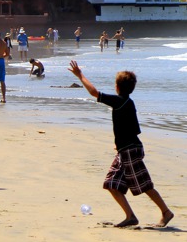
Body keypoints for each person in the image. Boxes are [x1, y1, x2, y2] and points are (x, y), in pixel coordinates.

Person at [67, 60, 174, 229]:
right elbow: (130, 127)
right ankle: (130, 216)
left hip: (130, 150)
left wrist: (80, 75)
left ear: (117, 87)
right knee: (111, 184)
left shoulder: (121, 101)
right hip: (125, 150)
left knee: (144, 184)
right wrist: (119, 144)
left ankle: (166, 212)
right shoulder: (127, 102)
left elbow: (94, 92)